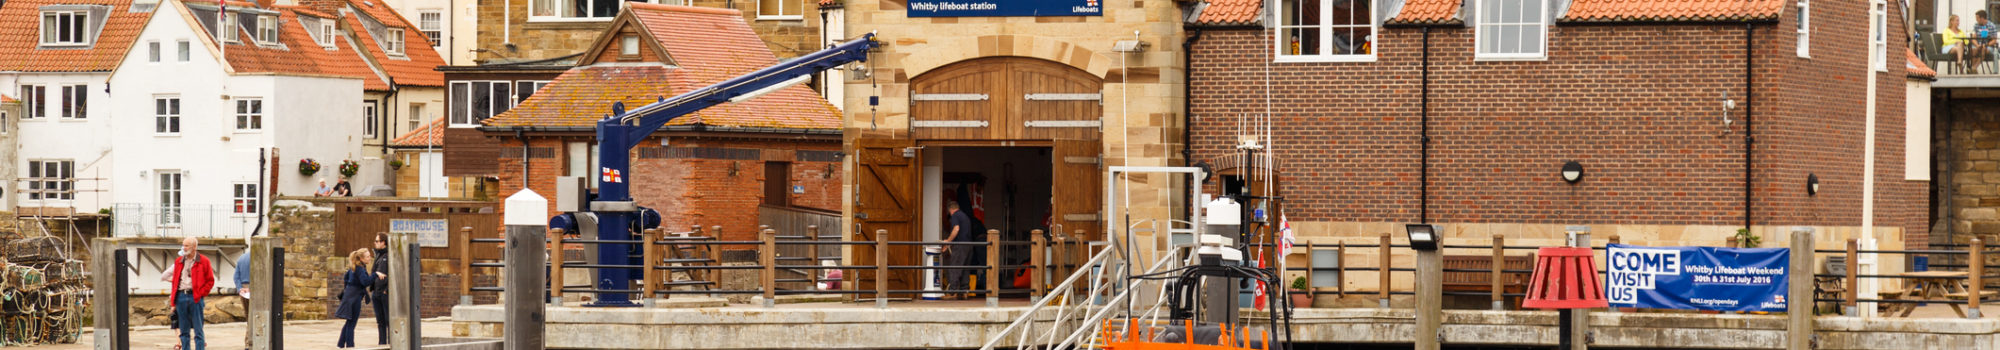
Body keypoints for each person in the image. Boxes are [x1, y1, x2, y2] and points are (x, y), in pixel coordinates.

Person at [169, 237, 214, 350]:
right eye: (183, 245)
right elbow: (175, 282)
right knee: (184, 331)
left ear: (194, 247)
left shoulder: (204, 261)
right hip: (181, 297)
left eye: (186, 245)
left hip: (195, 297)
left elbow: (210, 281)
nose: (184, 248)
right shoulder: (179, 261)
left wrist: (200, 293)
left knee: (198, 330)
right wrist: (173, 302)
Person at [335, 249, 377, 348]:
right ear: (361, 259)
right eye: (367, 256)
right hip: (354, 298)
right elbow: (365, 282)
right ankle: (350, 346)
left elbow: (346, 279)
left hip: (349, 296)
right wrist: (375, 274)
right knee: (352, 323)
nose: (370, 258)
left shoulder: (353, 268)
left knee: (349, 321)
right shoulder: (360, 269)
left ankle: (340, 344)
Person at [941, 201, 976, 300]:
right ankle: (964, 292)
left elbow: (956, 229)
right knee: (965, 269)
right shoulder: (965, 217)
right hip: (969, 246)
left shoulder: (955, 216)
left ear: (950, 210)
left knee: (954, 268)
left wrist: (948, 241)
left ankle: (953, 292)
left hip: (960, 246)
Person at [370, 233, 392, 345]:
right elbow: (374, 272)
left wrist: (386, 290)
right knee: (380, 321)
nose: (375, 243)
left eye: (377, 241)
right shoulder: (378, 255)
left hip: (384, 293)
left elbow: (393, 274)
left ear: (383, 242)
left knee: (388, 320)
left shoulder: (389, 255)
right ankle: (382, 343)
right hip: (376, 292)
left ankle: (391, 342)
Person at [234, 252, 252, 349]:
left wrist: (240, 288)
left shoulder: (242, 257)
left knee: (249, 316)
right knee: (254, 317)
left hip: (243, 289)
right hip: (254, 287)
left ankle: (248, 344)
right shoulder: (259, 257)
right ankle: (249, 344)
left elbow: (236, 276)